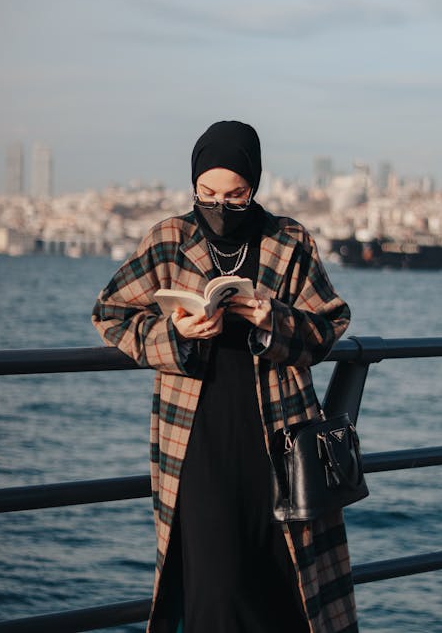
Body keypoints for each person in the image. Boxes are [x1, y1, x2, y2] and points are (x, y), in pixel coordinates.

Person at [92, 121, 357, 633]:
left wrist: (271, 318)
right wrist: (176, 332)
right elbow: (110, 314)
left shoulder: (288, 239)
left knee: (283, 584)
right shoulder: (169, 238)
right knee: (215, 588)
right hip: (195, 438)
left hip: (281, 436)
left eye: (235, 195)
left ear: (253, 186)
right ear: (193, 187)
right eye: (207, 194)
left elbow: (329, 326)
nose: (220, 205)